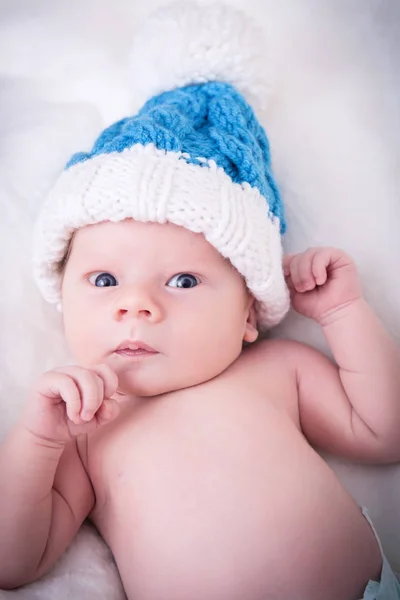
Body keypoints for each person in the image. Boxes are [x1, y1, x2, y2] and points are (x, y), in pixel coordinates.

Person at [0, 2, 399, 599]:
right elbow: (14, 562)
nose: (136, 306)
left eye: (183, 281)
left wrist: (343, 314)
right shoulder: (84, 436)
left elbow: (383, 430)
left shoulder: (276, 372)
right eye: (105, 281)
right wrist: (36, 440)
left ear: (247, 315)